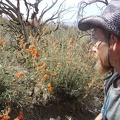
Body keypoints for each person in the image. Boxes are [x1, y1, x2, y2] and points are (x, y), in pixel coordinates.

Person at [78, 0, 120, 120]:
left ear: (114, 42)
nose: (93, 48)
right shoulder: (114, 78)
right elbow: (105, 113)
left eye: (96, 40)